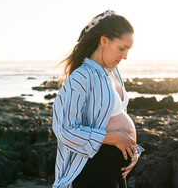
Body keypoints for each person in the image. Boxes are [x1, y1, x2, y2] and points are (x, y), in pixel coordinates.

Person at [51, 10, 144, 188]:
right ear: (104, 41)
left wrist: (133, 152)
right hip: (94, 170)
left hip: (115, 171)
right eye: (122, 48)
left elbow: (115, 117)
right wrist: (114, 138)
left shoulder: (112, 72)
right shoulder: (81, 77)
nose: (125, 56)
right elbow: (64, 130)